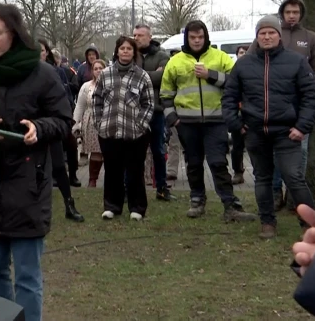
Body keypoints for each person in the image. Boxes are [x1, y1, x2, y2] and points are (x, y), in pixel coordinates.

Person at [0, 3, 72, 321]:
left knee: (27, 279)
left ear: (14, 33)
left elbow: (63, 120)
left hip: (28, 188)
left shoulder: (43, 74)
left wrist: (40, 128)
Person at [222, 15, 315, 238]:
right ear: (257, 37)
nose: (267, 36)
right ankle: (267, 222)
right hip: (255, 132)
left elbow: (311, 95)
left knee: (293, 177)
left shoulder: (296, 61)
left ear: (279, 35)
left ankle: (310, 224)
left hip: (288, 133)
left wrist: (302, 126)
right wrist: (237, 124)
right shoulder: (244, 64)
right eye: (262, 33)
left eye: (271, 32)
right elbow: (229, 96)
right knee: (262, 178)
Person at [161, 20, 257, 222]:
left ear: (206, 37)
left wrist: (210, 75)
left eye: (200, 37)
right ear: (187, 38)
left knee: (218, 163)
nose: (196, 41)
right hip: (186, 123)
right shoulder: (175, 61)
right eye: (192, 37)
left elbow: (236, 83)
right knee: (193, 163)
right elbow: (166, 94)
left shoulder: (220, 57)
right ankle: (197, 200)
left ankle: (230, 205)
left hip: (216, 121)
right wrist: (173, 120)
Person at [93, 36, 154, 220]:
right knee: (112, 170)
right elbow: (97, 100)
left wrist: (140, 125)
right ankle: (112, 206)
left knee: (135, 171)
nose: (125, 51)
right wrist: (99, 122)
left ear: (134, 52)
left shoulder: (142, 76)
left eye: (129, 49)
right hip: (109, 132)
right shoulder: (105, 74)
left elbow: (149, 104)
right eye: (122, 48)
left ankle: (137, 208)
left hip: (135, 134)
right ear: (117, 51)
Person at [38, 39, 83, 221]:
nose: (38, 54)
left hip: (52, 124)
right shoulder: (22, 74)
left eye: (41, 50)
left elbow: (64, 95)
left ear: (46, 52)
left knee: (58, 165)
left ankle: (69, 204)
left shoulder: (55, 71)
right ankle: (38, 207)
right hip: (32, 125)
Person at [133, 24, 174, 202]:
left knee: (158, 150)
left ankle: (162, 188)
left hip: (156, 111)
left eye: (140, 35)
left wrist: (138, 75)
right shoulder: (130, 55)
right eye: (134, 35)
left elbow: (162, 78)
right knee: (134, 152)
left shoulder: (162, 56)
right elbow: (126, 78)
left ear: (150, 37)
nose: (136, 38)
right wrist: (151, 75)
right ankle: (132, 188)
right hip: (134, 111)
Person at [73, 59, 106, 187]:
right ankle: (92, 180)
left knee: (108, 152)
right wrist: (75, 123)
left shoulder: (111, 84)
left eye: (101, 68)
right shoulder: (86, 86)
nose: (98, 70)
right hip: (91, 122)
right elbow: (80, 106)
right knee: (96, 151)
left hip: (108, 122)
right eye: (95, 68)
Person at [229, 46, 249, 184]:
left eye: (246, 52)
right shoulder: (233, 71)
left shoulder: (255, 69)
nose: (244, 54)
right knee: (237, 147)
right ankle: (238, 172)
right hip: (237, 114)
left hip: (252, 114)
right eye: (241, 52)